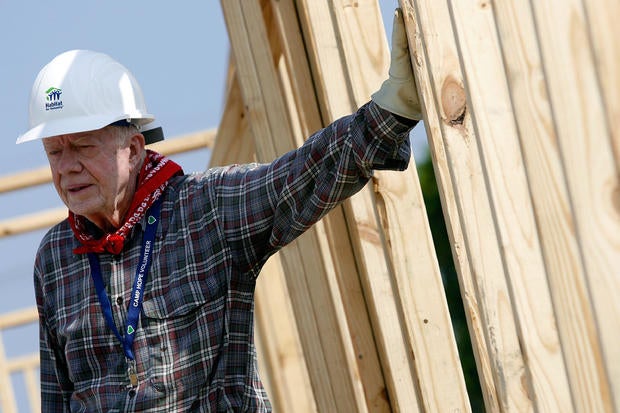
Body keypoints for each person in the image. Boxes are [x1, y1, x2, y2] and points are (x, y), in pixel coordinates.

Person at [18, 8, 422, 412]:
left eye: (83, 147)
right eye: (54, 151)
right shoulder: (54, 257)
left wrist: (392, 110)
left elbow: (298, 177)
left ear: (134, 149)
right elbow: (58, 397)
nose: (67, 166)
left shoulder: (204, 208)